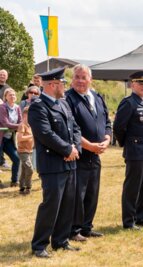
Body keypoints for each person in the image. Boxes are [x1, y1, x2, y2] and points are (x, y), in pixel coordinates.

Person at [30, 67, 81, 258]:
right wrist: (67, 149)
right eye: (63, 83)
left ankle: (60, 240)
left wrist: (75, 148)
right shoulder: (38, 106)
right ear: (53, 84)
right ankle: (39, 245)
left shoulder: (63, 104)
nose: (65, 86)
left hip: (69, 163)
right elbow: (45, 134)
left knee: (68, 203)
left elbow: (75, 128)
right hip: (52, 164)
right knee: (51, 205)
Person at [65, 64, 112, 241]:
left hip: (96, 155)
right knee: (78, 194)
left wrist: (107, 139)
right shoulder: (68, 99)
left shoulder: (97, 97)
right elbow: (70, 129)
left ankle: (87, 227)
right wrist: (89, 145)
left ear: (90, 79)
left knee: (92, 192)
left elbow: (107, 121)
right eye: (77, 77)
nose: (80, 81)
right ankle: (73, 230)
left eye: (83, 77)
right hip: (79, 155)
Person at [113, 70, 143, 229]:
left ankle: (142, 217)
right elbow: (119, 127)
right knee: (133, 188)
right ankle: (129, 221)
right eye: (140, 83)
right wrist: (127, 144)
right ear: (132, 84)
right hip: (136, 151)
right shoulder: (129, 102)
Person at [0, 88, 22, 186]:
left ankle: (14, 181)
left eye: (13, 94)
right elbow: (5, 123)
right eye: (10, 95)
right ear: (5, 97)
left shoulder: (17, 107)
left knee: (16, 159)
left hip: (9, 138)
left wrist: (20, 125)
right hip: (0, 137)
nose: (12, 96)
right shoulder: (2, 107)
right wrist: (19, 126)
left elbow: (20, 121)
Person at [17, 107, 34, 194]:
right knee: (30, 169)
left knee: (24, 170)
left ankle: (21, 187)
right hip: (23, 151)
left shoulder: (29, 125)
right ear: (24, 115)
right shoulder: (22, 125)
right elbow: (20, 138)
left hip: (29, 151)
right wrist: (32, 136)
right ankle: (28, 186)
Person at [0, 69, 11, 170]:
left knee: (3, 139)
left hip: (3, 117)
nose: (2, 76)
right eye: (1, 74)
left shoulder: (8, 88)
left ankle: (2, 161)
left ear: (7, 77)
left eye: (4, 75)